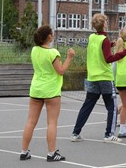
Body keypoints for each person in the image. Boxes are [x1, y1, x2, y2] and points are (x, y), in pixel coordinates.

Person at [71, 14, 126, 143]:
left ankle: (75, 133)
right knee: (112, 107)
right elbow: (108, 58)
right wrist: (125, 52)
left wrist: (111, 44)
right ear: (104, 24)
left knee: (87, 105)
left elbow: (100, 48)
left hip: (92, 77)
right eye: (107, 21)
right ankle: (109, 134)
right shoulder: (104, 39)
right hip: (104, 77)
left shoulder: (92, 37)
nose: (107, 23)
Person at [20, 24, 75, 162]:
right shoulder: (52, 53)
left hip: (36, 88)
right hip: (51, 90)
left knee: (31, 122)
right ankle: (51, 153)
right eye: (52, 33)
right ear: (49, 37)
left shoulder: (34, 50)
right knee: (52, 123)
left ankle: (24, 151)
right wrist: (69, 57)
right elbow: (61, 70)